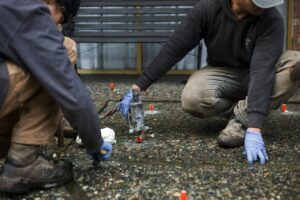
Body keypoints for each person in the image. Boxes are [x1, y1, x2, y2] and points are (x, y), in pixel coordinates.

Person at [118, 0, 300, 165]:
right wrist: (139, 86)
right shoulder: (207, 9)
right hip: (223, 73)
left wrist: (254, 127)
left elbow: (262, 70)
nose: (264, 5)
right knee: (192, 98)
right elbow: (175, 47)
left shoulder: (271, 18)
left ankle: (241, 120)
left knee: (295, 64)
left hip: (264, 74)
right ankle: (246, 108)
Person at [0, 0, 112, 194]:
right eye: (64, 16)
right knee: (56, 64)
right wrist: (95, 143)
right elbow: (71, 91)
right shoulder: (30, 9)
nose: (59, 23)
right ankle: (23, 162)